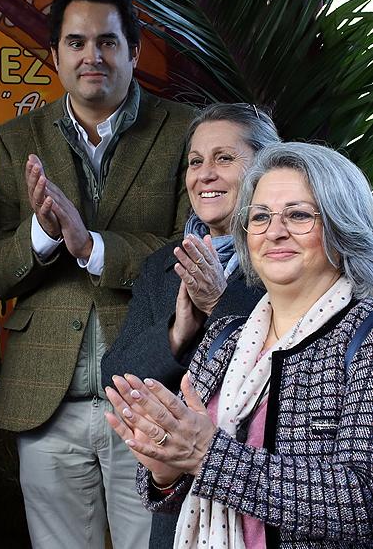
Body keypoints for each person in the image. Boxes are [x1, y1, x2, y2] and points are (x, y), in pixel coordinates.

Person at [0, 0, 194, 549]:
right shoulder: (18, 139)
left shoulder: (187, 131)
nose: (92, 56)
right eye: (76, 42)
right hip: (47, 401)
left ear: (134, 52)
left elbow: (198, 251)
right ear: (56, 55)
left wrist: (92, 245)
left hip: (153, 394)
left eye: (108, 42)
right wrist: (41, 234)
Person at [106, 142, 373, 548]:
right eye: (260, 216)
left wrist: (206, 455)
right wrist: (165, 467)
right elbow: (175, 491)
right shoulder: (226, 334)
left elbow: (360, 501)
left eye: (299, 215)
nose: (275, 231)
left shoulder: (364, 336)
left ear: (342, 223)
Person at [101, 102, 280, 547]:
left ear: (267, 168)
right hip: (179, 503)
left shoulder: (291, 257)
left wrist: (222, 302)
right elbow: (115, 377)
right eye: (195, 161)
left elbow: (299, 364)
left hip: (267, 493)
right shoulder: (164, 264)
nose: (205, 174)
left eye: (224, 158)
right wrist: (178, 333)